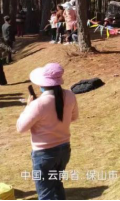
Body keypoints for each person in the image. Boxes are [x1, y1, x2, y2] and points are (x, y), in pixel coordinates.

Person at [17, 63, 79, 201]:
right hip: (64, 149)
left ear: (42, 83)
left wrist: (28, 107)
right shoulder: (70, 95)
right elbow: (73, 117)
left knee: (46, 193)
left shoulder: (38, 104)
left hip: (44, 154)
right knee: (56, 185)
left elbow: (21, 127)